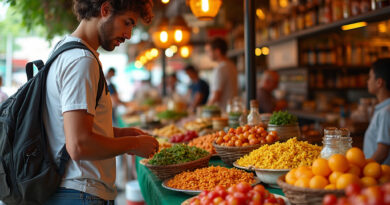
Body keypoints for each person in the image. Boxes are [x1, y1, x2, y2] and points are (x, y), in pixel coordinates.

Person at [43, 0, 158, 204]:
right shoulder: (81, 61)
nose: (129, 34)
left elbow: (71, 131)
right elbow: (79, 145)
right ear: (105, 10)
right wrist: (133, 144)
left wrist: (121, 133)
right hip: (80, 193)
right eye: (127, 22)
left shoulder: (65, 50)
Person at [363, 58, 390, 165]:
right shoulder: (384, 109)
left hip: (380, 175)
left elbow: (382, 152)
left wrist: (364, 169)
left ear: (379, 82)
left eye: (370, 77)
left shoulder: (385, 112)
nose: (368, 81)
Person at [205, 37, 238, 110]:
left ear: (217, 51)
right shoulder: (231, 65)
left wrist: (204, 110)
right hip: (230, 110)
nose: (207, 54)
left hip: (221, 112)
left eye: (208, 51)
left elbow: (216, 96)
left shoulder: (220, 69)